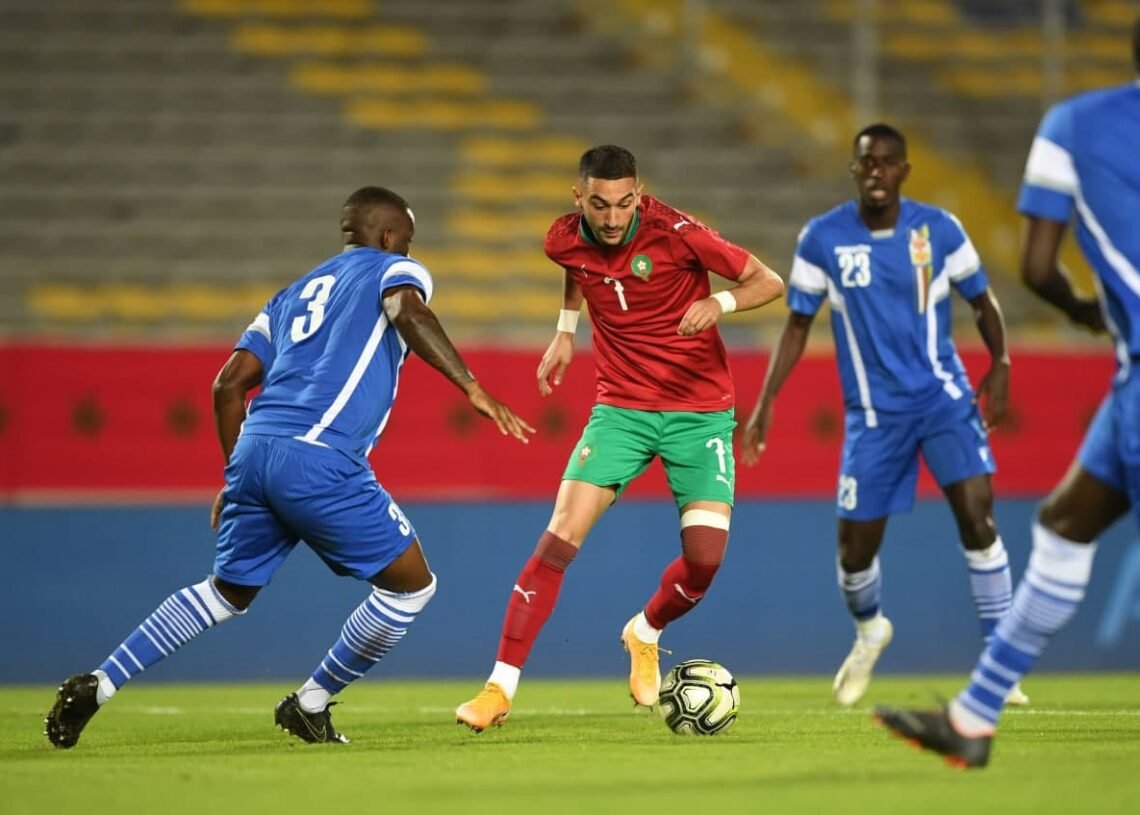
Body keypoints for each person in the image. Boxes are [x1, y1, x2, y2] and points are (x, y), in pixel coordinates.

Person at [44, 186, 535, 748]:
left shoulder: (291, 295)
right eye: (409, 243)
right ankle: (311, 701)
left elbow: (227, 386)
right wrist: (470, 385)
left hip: (255, 448)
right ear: (391, 236)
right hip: (320, 456)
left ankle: (99, 683)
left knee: (224, 593)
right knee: (410, 589)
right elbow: (405, 310)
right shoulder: (396, 271)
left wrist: (234, 478)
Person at [874, 18, 1140, 769]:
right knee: (1063, 523)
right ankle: (975, 714)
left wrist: (1083, 310)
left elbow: (1036, 263)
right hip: (1132, 382)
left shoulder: (1074, 125)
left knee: (1061, 529)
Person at [454, 145, 786, 731]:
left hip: (700, 413)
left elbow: (770, 280)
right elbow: (580, 269)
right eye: (601, 205)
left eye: (625, 204)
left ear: (640, 194)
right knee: (558, 539)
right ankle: (498, 688)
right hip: (621, 410)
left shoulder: (678, 234)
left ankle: (646, 629)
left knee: (704, 563)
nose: (613, 219)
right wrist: (565, 331)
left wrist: (719, 300)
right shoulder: (562, 238)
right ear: (578, 198)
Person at [740, 123, 1030, 708]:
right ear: (854, 170)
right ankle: (870, 629)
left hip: (943, 399)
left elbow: (981, 300)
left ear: (904, 171)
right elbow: (797, 323)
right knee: (855, 552)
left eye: (888, 162)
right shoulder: (823, 238)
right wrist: (767, 400)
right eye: (867, 162)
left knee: (979, 519)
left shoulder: (940, 230)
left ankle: (1001, 665)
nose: (877, 171)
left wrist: (1000, 362)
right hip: (874, 417)